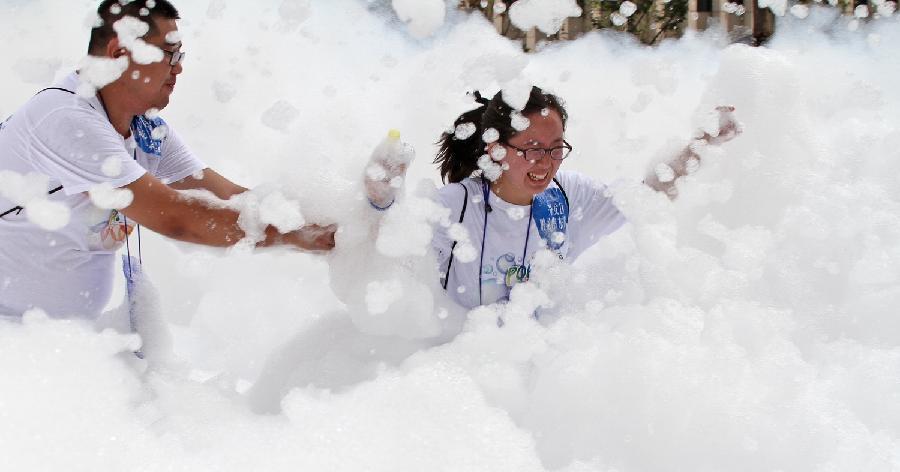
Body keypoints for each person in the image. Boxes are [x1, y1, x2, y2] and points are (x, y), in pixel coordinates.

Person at [0, 0, 335, 321]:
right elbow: (177, 218)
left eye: (181, 55)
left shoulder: (147, 130)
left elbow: (233, 197)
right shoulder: (65, 118)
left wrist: (332, 221)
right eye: (171, 54)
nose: (180, 67)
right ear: (120, 52)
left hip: (57, 345)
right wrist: (291, 235)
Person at [366, 87, 739, 309]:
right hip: (461, 376)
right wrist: (380, 199)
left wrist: (702, 143)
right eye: (531, 147)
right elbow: (383, 247)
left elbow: (647, 197)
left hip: (541, 380)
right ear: (496, 148)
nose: (545, 162)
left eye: (556, 147)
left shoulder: (567, 196)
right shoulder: (456, 207)